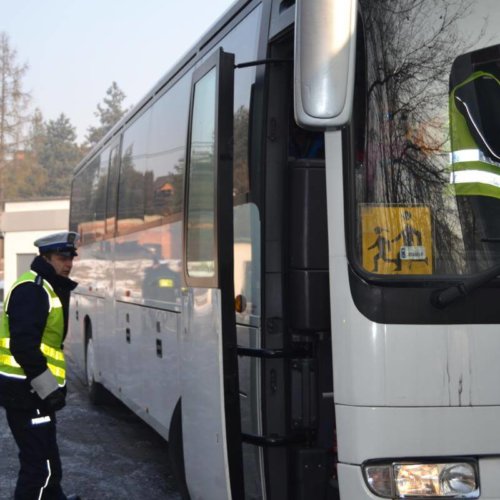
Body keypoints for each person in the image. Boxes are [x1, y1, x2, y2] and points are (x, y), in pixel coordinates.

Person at [0, 231, 81, 500]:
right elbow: (23, 346)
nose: (68, 263)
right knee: (40, 469)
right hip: (27, 393)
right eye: (62, 257)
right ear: (45, 257)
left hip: (33, 393)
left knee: (48, 463)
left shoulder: (45, 286)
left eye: (71, 258)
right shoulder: (33, 289)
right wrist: (49, 390)